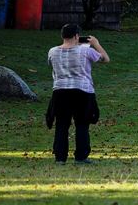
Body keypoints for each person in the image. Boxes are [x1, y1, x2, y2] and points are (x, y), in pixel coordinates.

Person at [46, 23, 109, 164]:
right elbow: (105, 59)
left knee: (62, 124)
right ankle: (81, 156)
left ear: (62, 36)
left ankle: (60, 157)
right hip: (82, 91)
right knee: (82, 124)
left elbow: (51, 65)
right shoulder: (85, 51)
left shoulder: (52, 51)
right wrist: (96, 44)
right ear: (76, 36)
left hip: (60, 91)